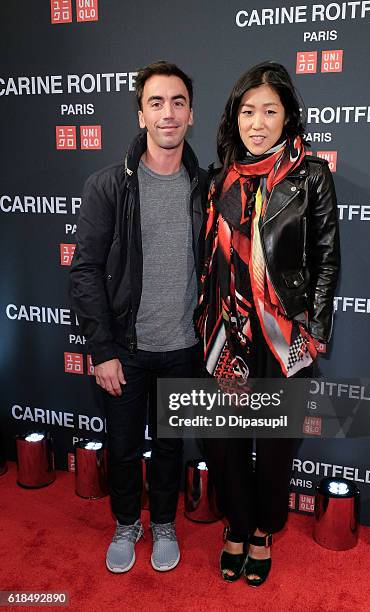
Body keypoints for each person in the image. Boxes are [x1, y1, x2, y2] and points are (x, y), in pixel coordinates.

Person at [195, 61, 340, 586]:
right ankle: (236, 525)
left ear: (287, 118)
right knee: (226, 440)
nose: (257, 122)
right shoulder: (218, 180)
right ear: (234, 117)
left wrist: (317, 328)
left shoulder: (311, 175)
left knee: (277, 444)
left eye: (269, 111)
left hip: (283, 336)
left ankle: (263, 531)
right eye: (247, 111)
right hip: (226, 333)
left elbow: (326, 257)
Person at [70, 60, 207, 574]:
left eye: (177, 102)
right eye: (156, 102)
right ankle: (127, 522)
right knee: (124, 449)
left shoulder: (207, 187)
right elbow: (84, 272)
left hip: (184, 348)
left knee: (171, 447)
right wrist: (101, 350)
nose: (167, 113)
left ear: (190, 114)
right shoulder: (108, 185)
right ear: (140, 114)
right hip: (125, 351)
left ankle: (165, 522)